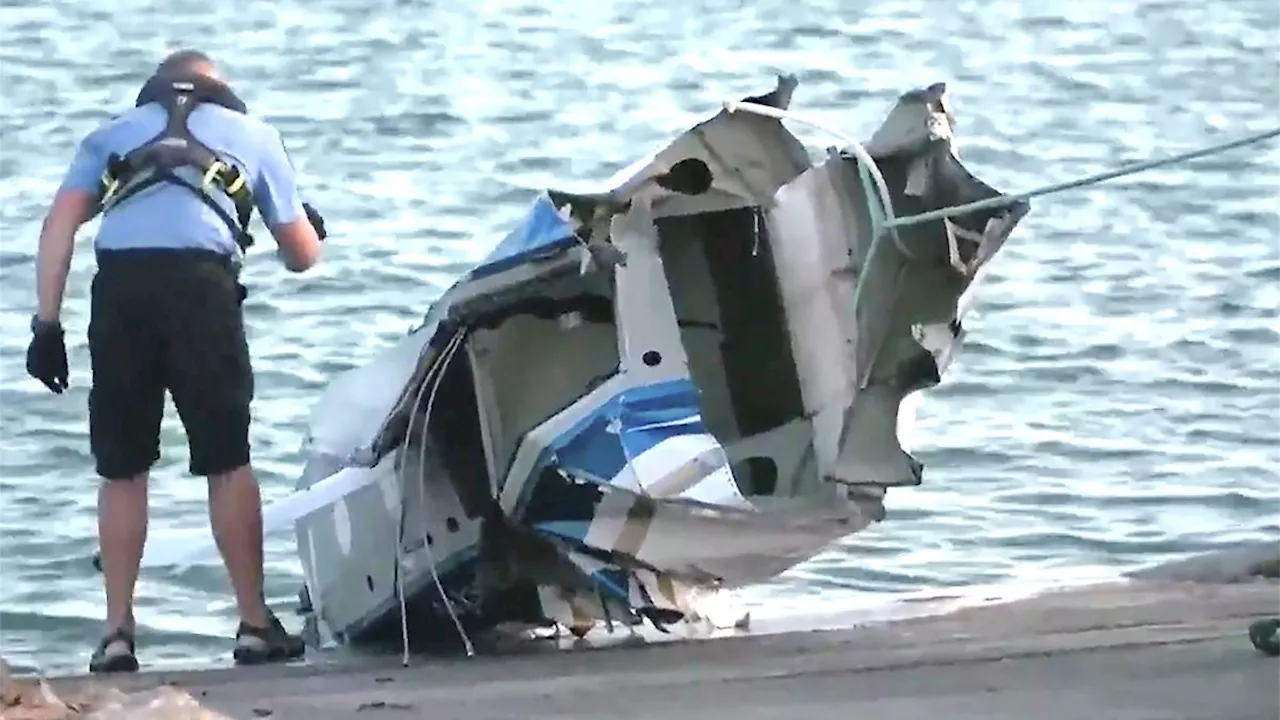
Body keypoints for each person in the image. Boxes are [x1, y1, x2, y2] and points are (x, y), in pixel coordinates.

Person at [24, 49, 327, 673]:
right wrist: (309, 229)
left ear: (153, 88)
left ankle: (116, 634)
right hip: (201, 291)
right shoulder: (254, 136)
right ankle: (252, 625)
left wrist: (46, 325)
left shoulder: (110, 133)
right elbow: (302, 256)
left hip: (120, 293)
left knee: (122, 468)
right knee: (227, 459)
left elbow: (58, 226)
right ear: (223, 89)